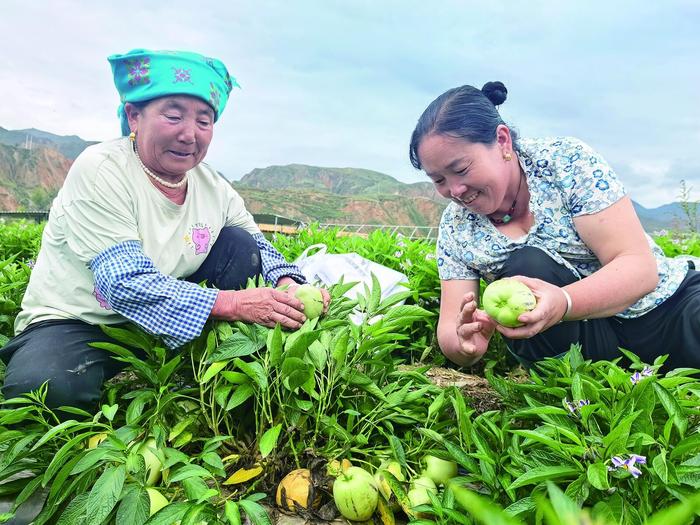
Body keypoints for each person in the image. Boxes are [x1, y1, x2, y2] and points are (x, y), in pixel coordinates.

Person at [0, 48, 329, 411]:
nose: (189, 134)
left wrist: (289, 285)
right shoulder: (101, 169)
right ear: (134, 116)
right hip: (82, 322)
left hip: (167, 319)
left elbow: (258, 247)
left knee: (239, 244)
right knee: (45, 388)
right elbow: (122, 282)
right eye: (173, 115)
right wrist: (234, 303)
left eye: (204, 122)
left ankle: (199, 366)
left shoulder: (212, 185)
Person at [408, 81, 699, 370]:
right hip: (584, 344)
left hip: (666, 309)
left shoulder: (564, 162)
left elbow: (639, 267)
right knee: (527, 265)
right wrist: (464, 344)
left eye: (461, 169)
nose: (455, 190)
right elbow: (450, 326)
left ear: (502, 141)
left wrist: (564, 302)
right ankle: (585, 392)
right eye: (439, 180)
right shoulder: (458, 228)